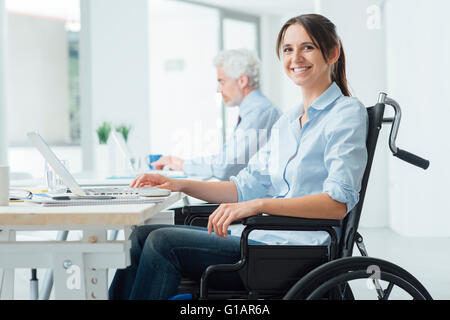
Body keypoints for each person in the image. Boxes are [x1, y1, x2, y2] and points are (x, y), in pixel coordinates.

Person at [109, 13, 368, 300]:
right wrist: (178, 184)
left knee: (161, 242)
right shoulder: (287, 122)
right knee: (139, 236)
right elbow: (241, 187)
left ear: (332, 53)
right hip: (263, 240)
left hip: (294, 253)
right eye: (288, 49)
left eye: (307, 47)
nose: (296, 57)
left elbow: (336, 204)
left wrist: (256, 206)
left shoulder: (346, 113)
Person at [151, 49, 281, 180]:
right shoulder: (255, 110)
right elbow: (226, 160)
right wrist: (180, 163)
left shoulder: (259, 112)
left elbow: (224, 167)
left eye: (222, 82)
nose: (219, 89)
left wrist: (182, 164)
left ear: (242, 81)